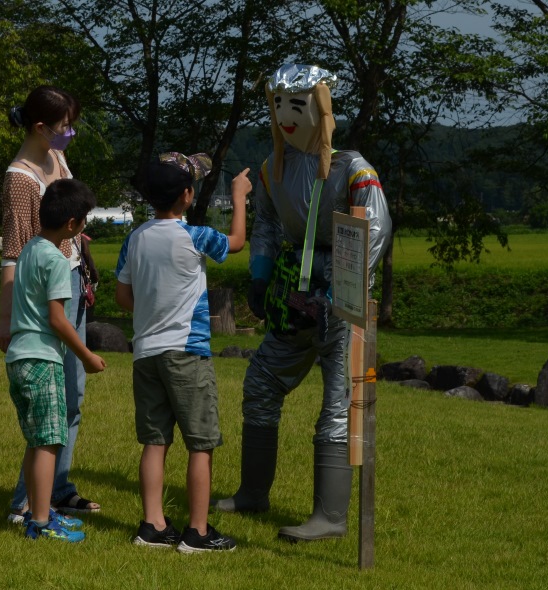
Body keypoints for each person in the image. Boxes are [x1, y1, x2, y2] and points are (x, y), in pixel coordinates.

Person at [212, 63, 392, 543]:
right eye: (278, 106)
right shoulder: (274, 168)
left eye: (297, 105)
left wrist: (347, 285)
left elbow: (374, 229)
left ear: (321, 108)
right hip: (293, 293)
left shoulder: (355, 170)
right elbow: (269, 225)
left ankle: (330, 516)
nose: (286, 117)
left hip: (341, 301)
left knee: (337, 402)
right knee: (261, 383)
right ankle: (253, 492)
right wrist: (260, 274)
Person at [115, 152, 251, 553]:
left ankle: (153, 525)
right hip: (187, 352)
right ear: (187, 195)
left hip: (146, 352)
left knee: (155, 441)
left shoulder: (134, 238)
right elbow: (237, 242)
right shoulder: (195, 236)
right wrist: (239, 196)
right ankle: (198, 532)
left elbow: (123, 296)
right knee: (200, 444)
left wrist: (152, 308)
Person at [0, 85, 101, 521]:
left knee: (72, 395)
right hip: (46, 289)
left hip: (72, 277)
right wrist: (6, 318)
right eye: (64, 126)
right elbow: (14, 250)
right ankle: (27, 502)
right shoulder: (20, 178)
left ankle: (58, 487)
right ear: (40, 127)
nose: (69, 133)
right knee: (50, 399)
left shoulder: (56, 156)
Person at [5, 177, 106, 542]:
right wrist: (87, 355)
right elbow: (58, 320)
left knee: (37, 441)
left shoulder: (30, 249)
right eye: (84, 219)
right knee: (49, 441)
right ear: (72, 224)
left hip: (18, 357)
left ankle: (35, 511)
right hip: (43, 359)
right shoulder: (58, 260)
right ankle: (42, 521)